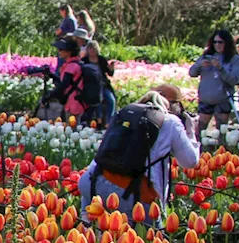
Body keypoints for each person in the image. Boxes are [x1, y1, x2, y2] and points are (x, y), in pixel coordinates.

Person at [78, 89, 200, 219]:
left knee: (92, 233)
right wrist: (191, 131)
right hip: (131, 193)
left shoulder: (125, 112)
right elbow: (190, 161)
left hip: (91, 181)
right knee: (152, 237)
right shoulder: (170, 121)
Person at [189, 29, 239, 134]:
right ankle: (201, 150)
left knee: (221, 132)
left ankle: (221, 150)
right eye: (215, 42)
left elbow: (233, 80)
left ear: (226, 43)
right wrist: (199, 65)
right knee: (200, 131)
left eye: (220, 42)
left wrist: (220, 68)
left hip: (223, 99)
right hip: (206, 98)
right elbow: (192, 73)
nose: (217, 45)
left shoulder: (234, 59)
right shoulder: (206, 56)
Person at [47, 37, 86, 122]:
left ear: (69, 52)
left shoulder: (71, 66)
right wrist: (51, 75)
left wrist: (49, 96)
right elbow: (67, 82)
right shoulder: (73, 64)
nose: (59, 52)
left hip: (74, 103)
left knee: (72, 130)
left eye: (61, 50)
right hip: (75, 101)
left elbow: (64, 85)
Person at [83, 41, 117, 125]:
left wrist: (111, 68)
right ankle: (99, 120)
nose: (92, 50)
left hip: (103, 85)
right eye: (90, 48)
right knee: (97, 99)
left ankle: (109, 122)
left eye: (94, 48)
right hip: (91, 86)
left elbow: (110, 74)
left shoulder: (101, 59)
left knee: (111, 100)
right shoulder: (84, 60)